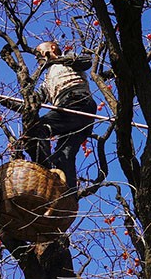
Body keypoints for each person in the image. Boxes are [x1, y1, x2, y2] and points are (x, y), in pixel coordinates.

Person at [20, 41, 97, 191]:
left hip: (77, 101)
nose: (37, 58)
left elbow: (86, 62)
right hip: (75, 115)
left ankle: (46, 174)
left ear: (52, 48)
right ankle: (68, 196)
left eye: (39, 52)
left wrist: (57, 59)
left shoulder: (68, 59)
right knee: (64, 156)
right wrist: (0, 100)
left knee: (37, 128)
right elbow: (31, 104)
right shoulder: (47, 80)